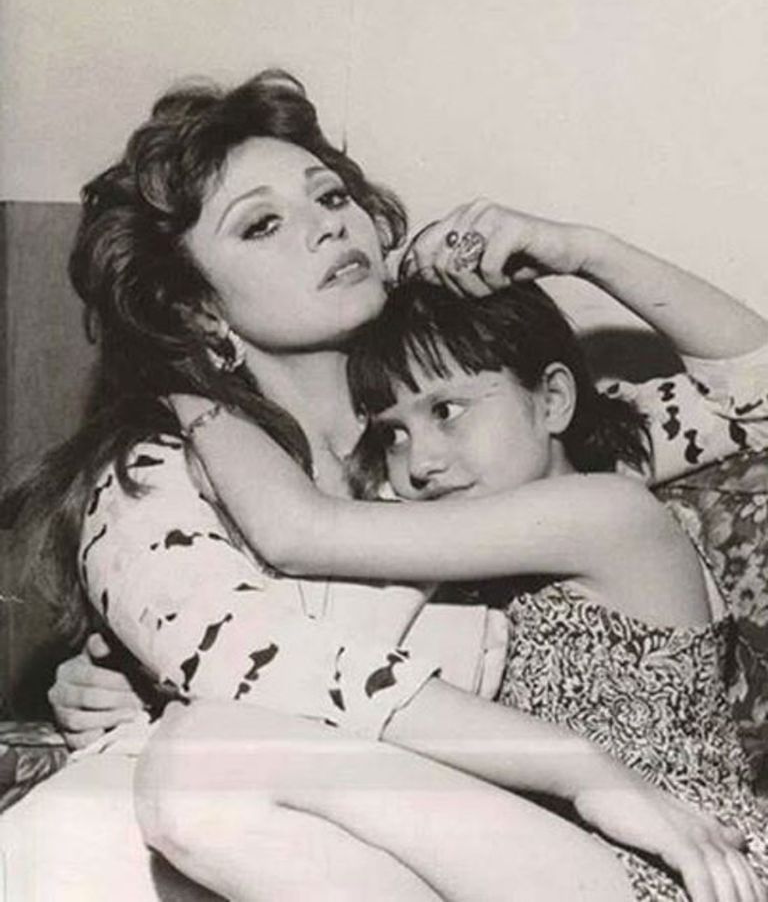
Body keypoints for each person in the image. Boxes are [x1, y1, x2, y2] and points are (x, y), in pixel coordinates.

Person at [4, 69, 766, 902]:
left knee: (202, 760)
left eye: (331, 197)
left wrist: (581, 250)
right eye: (263, 224)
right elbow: (266, 666)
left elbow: (752, 402)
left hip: (498, 850)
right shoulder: (155, 472)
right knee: (120, 807)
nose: (328, 227)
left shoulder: (477, 453)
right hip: (249, 843)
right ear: (195, 308)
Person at [168, 274, 768, 899]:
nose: (420, 463)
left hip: (681, 870)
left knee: (203, 753)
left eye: (446, 412)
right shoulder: (473, 566)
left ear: (552, 399)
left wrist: (177, 381)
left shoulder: (609, 511)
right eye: (393, 434)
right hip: (557, 863)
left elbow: (299, 531)